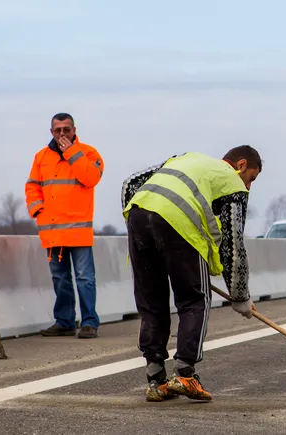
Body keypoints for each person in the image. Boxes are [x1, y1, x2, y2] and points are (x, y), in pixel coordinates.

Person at [120, 145, 261, 402]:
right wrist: (240, 295)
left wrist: (143, 226)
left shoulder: (186, 159)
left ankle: (156, 379)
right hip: (179, 224)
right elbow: (233, 245)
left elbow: (130, 183)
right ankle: (185, 373)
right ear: (241, 165)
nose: (249, 187)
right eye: (251, 178)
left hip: (139, 216)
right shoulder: (232, 183)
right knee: (194, 299)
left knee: (152, 303)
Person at [25, 113, 105, 339]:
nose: (62, 134)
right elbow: (32, 186)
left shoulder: (89, 153)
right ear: (51, 132)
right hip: (53, 231)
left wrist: (70, 151)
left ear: (74, 130)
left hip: (78, 231)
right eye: (58, 130)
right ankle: (65, 321)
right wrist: (38, 210)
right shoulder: (41, 157)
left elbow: (90, 178)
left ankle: (89, 322)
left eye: (66, 129)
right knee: (60, 279)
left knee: (84, 278)